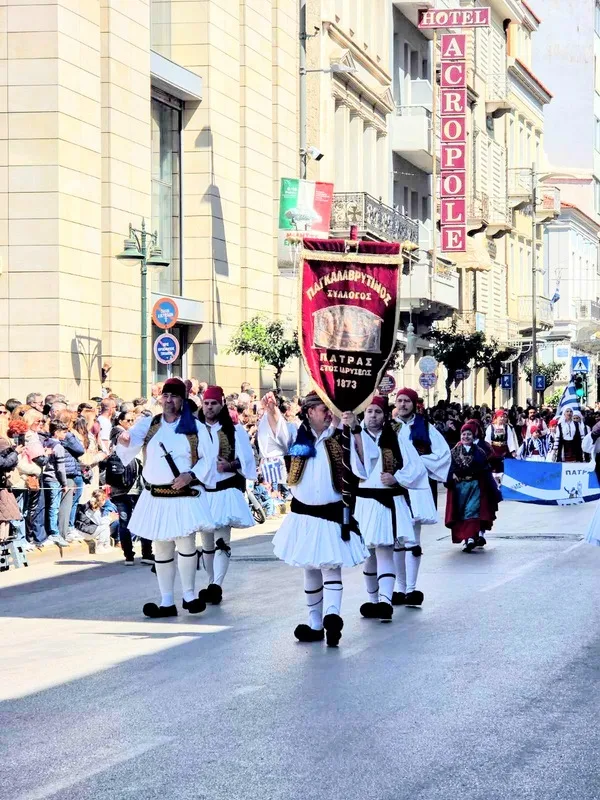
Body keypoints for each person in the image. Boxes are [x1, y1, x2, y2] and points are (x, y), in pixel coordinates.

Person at [272, 392, 369, 646]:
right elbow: (275, 439)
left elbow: (363, 463)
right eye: (323, 409)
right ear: (309, 411)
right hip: (303, 515)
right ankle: (317, 623)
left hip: (332, 512)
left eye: (330, 409)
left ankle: (331, 618)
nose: (328, 413)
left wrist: (355, 428)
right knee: (311, 567)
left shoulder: (340, 436)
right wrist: (272, 414)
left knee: (330, 566)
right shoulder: (296, 437)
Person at [117, 378, 215, 618]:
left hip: (184, 493)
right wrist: (124, 440)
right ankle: (167, 601)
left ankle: (189, 595)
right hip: (157, 494)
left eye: (174, 396)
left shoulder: (195, 427)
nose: (169, 400)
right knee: (161, 548)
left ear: (182, 400)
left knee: (186, 544)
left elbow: (208, 457)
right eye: (166, 396)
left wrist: (190, 475)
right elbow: (130, 440)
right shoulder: (150, 423)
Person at [350, 395, 427, 622]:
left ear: (385, 415)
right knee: (368, 553)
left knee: (385, 549)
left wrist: (397, 478)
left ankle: (385, 600)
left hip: (387, 500)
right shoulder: (354, 436)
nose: (373, 416)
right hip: (364, 501)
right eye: (370, 411)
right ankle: (373, 600)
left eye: (378, 412)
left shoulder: (395, 437)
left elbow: (416, 467)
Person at [197, 386, 256, 605]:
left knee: (222, 541)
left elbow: (249, 461)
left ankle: (217, 585)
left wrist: (230, 464)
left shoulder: (234, 430)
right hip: (203, 492)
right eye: (206, 403)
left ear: (221, 405)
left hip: (225, 491)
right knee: (206, 543)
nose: (209, 407)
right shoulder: (196, 429)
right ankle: (211, 582)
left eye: (213, 403)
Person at [392, 388, 450, 608]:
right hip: (396, 485)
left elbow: (442, 454)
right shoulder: (390, 428)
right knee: (397, 537)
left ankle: (411, 588)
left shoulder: (426, 427)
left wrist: (418, 465)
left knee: (413, 537)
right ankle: (399, 586)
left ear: (414, 404)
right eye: (400, 401)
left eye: (407, 401)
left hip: (417, 487)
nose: (403, 404)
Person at [445, 424, 501, 552]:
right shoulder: (453, 451)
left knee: (472, 511)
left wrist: (492, 488)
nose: (466, 436)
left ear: (473, 436)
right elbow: (448, 467)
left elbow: (486, 469)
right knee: (461, 513)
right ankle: (466, 539)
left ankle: (470, 538)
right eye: (464, 434)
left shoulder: (480, 452)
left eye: (469, 434)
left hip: (475, 486)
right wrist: (451, 476)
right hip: (459, 488)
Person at [108, 411, 153, 566]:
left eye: (134, 420)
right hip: (127, 485)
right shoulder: (119, 432)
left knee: (132, 520)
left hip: (132, 485)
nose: (132, 423)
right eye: (129, 420)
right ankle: (132, 554)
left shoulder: (136, 435)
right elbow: (125, 439)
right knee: (129, 520)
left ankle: (143, 553)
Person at [74, 488, 117, 553]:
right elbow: (100, 522)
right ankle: (100, 546)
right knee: (105, 526)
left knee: (106, 526)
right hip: (84, 532)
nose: (105, 502)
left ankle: (106, 545)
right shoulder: (91, 509)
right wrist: (110, 518)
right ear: (100, 500)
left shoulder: (94, 506)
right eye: (103, 500)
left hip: (89, 529)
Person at [485, 409, 518, 474]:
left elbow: (510, 439)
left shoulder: (507, 427)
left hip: (504, 451)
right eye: (501, 416)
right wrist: (487, 451)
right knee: (494, 470)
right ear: (496, 417)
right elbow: (487, 440)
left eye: (503, 417)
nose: (502, 418)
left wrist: (513, 451)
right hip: (493, 451)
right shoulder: (491, 427)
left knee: (504, 469)